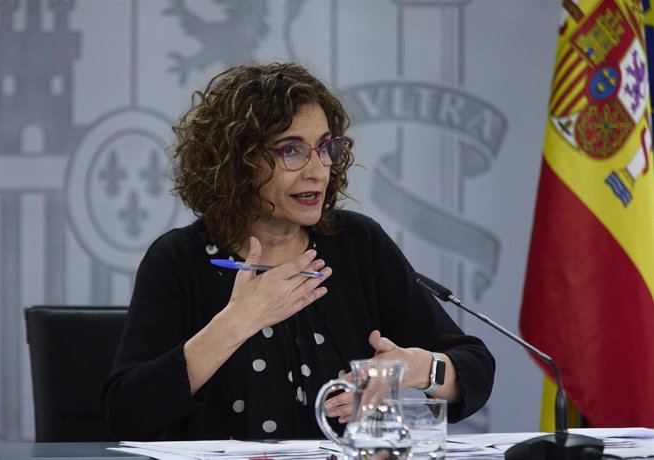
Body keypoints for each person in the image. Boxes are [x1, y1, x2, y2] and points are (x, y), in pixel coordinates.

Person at [102, 62, 495, 441]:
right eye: (291, 151)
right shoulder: (180, 260)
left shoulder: (356, 245)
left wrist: (417, 369)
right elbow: (126, 413)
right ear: (237, 162)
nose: (317, 170)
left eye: (325, 148)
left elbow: (475, 368)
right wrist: (236, 323)